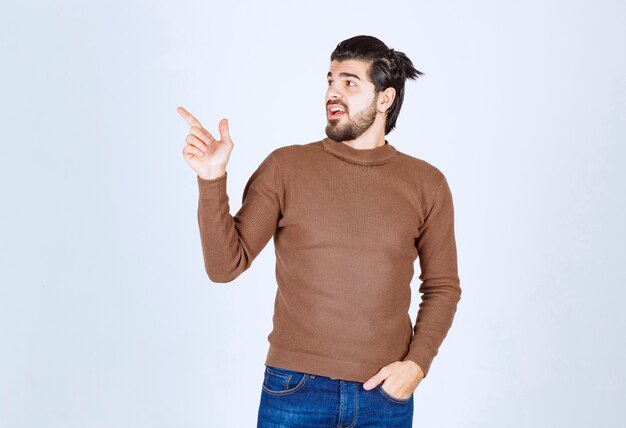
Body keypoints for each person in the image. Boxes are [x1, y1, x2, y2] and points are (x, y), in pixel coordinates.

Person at [178, 35, 461, 427]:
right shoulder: (286, 167)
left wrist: (416, 365)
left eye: (349, 82)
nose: (333, 92)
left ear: (385, 99)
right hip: (295, 389)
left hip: (384, 396)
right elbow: (225, 266)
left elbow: (443, 287)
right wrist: (212, 179)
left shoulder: (426, 183)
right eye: (330, 80)